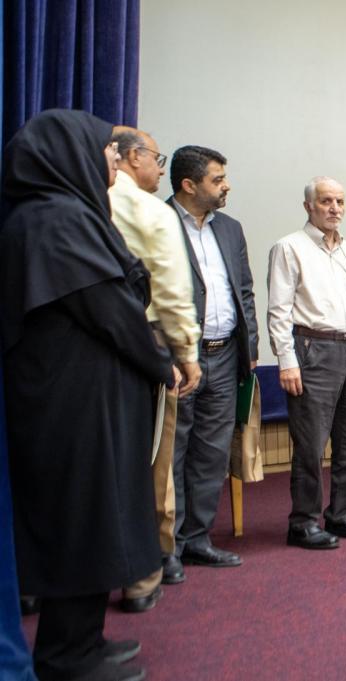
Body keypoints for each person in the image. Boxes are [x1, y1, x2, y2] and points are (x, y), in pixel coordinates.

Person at [2, 109, 172, 681]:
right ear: (69, 153)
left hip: (84, 398)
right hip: (72, 406)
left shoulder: (63, 215)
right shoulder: (56, 220)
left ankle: (83, 639)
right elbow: (113, 311)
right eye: (106, 151)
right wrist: (161, 361)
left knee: (98, 518)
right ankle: (67, 657)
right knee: (83, 520)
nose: (113, 162)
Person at [108, 127, 202, 613]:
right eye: (157, 159)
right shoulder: (149, 211)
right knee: (151, 463)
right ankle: (149, 568)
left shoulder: (77, 204)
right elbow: (169, 287)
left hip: (77, 355)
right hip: (144, 348)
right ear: (131, 157)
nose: (160, 169)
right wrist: (186, 353)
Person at [268, 177, 346, 549]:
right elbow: (279, 310)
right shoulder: (289, 247)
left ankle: (341, 514)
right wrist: (286, 360)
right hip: (313, 349)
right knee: (311, 444)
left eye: (340, 202)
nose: (335, 208)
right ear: (308, 206)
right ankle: (302, 522)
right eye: (326, 201)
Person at [168, 145, 257, 569]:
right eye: (217, 179)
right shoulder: (159, 222)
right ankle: (166, 549)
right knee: (172, 454)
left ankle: (197, 538)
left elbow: (245, 292)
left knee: (211, 453)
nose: (226, 186)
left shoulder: (230, 229)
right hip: (177, 359)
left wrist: (250, 347)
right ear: (189, 185)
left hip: (225, 356)